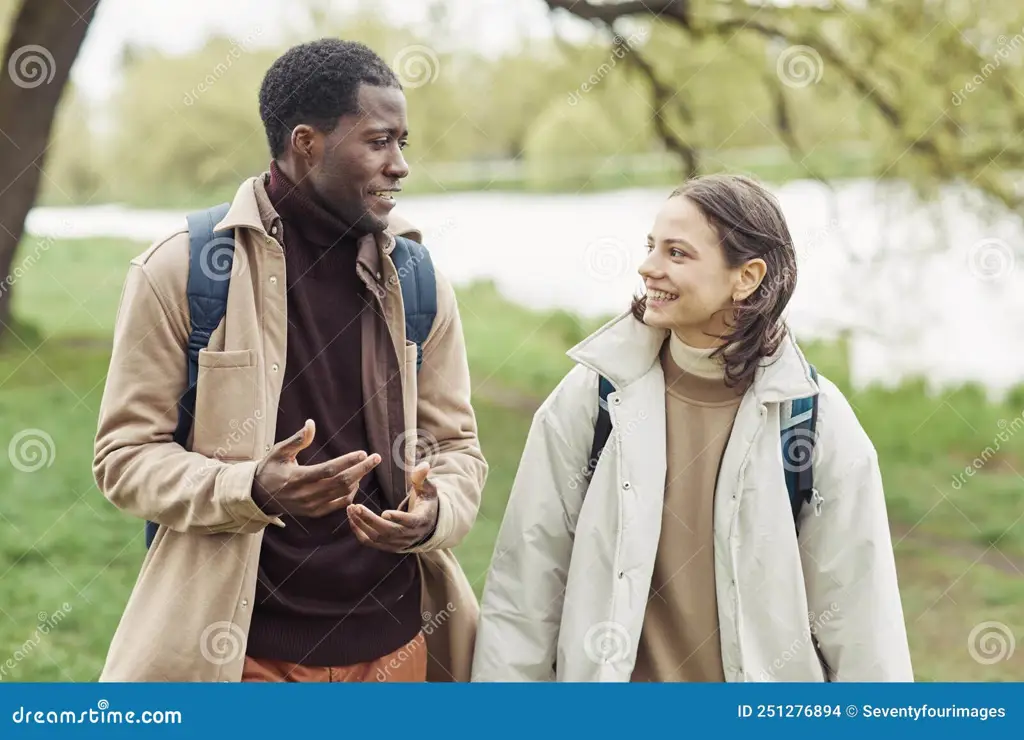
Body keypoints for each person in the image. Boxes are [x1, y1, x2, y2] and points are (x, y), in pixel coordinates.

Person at [93, 39, 486, 683]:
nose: (400, 166)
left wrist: (433, 511)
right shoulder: (182, 271)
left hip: (398, 645)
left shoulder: (418, 279)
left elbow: (458, 446)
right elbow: (125, 458)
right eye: (379, 141)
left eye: (403, 143)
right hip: (239, 652)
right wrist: (251, 488)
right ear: (307, 142)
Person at [471, 174, 913, 682]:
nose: (648, 267)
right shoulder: (592, 398)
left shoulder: (813, 419)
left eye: (676, 253)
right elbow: (524, 590)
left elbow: (863, 625)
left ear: (746, 277)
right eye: (651, 247)